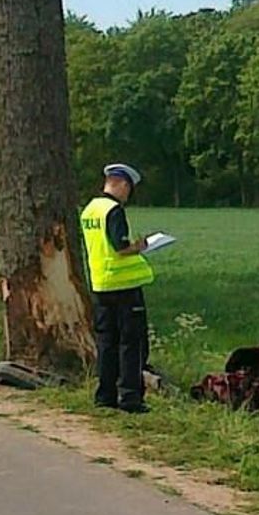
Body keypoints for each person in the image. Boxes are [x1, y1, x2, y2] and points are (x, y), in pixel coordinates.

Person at [80, 163, 154, 413]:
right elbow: (120, 247)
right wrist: (141, 246)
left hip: (101, 284)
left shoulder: (90, 210)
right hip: (124, 286)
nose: (128, 196)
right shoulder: (113, 210)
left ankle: (105, 395)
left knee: (106, 342)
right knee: (131, 343)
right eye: (128, 190)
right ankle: (130, 398)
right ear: (122, 184)